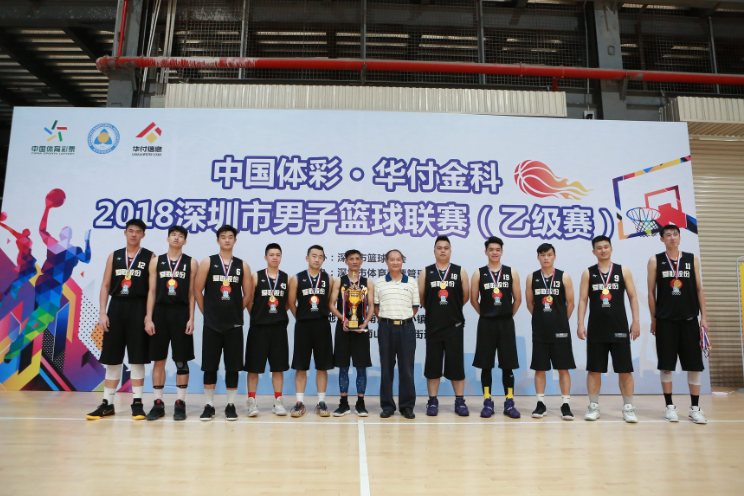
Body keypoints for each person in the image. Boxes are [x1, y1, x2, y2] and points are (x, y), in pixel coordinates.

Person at [87, 219, 153, 420]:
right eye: (130, 230)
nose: (134, 234)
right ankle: (107, 404)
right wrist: (102, 312)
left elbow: (152, 290)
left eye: (138, 231)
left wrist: (149, 316)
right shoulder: (114, 256)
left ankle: (137, 403)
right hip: (116, 307)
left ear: (143, 235)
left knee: (137, 358)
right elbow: (106, 285)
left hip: (138, 307)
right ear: (125, 233)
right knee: (113, 357)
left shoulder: (150, 257)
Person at [647, 224, 709, 424]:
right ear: (662, 239)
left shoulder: (692, 259)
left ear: (680, 238)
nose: (672, 237)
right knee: (666, 366)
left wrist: (703, 318)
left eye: (675, 234)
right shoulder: (655, 260)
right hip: (665, 322)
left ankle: (695, 408)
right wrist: (654, 319)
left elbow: (699, 289)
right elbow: (651, 292)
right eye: (668, 235)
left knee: (694, 366)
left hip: (689, 320)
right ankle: (669, 407)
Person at [576, 235, 640, 423]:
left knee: (624, 369)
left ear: (611, 249)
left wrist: (636, 321)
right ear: (594, 251)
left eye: (606, 247)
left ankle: (628, 408)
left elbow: (633, 297)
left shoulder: (623, 271)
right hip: (596, 328)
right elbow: (582, 300)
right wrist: (580, 323)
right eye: (599, 248)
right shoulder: (588, 273)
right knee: (594, 370)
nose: (603, 250)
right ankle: (593, 406)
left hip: (619, 327)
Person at [194, 225, 252, 421]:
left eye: (230, 237)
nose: (227, 240)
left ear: (235, 240)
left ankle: (230, 405)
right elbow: (197, 290)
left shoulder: (242, 265)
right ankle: (209, 405)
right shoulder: (207, 262)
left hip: (234, 325)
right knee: (209, 366)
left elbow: (248, 295)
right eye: (223, 237)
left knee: (233, 366)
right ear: (218, 240)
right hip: (212, 325)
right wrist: (207, 312)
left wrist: (235, 311)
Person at [143, 225, 198, 421]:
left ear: (185, 241)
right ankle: (158, 403)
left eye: (180, 236)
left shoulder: (191, 263)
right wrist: (148, 317)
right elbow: (151, 292)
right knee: (159, 360)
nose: (176, 238)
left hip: (181, 313)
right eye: (173, 235)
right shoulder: (156, 261)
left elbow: (191, 293)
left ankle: (180, 403)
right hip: (160, 312)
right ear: (167, 238)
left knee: (181, 360)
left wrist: (191, 318)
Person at [471, 236, 522, 419]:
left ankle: (509, 402)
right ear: (486, 252)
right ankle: (487, 401)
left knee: (508, 365)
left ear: (502, 252)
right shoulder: (478, 274)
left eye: (497, 249)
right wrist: (487, 315)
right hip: (486, 324)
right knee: (486, 364)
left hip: (506, 323)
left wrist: (506, 316)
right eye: (491, 249)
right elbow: (473, 300)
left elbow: (518, 299)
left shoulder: (511, 272)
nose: (494, 252)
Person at [419, 236, 470, 416]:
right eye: (439, 247)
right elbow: (423, 299)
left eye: (446, 248)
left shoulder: (460, 271)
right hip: (434, 326)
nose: (442, 250)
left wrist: (451, 311)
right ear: (434, 251)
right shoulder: (426, 272)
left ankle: (460, 401)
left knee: (456, 365)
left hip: (454, 326)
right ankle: (432, 401)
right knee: (433, 365)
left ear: (450, 251)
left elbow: (464, 297)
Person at [525, 243, 576, 421]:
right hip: (540, 331)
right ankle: (540, 404)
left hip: (560, 331)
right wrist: (542, 319)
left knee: (563, 368)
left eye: (549, 254)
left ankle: (565, 404)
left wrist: (559, 320)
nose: (546, 258)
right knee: (540, 368)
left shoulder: (564, 277)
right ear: (538, 257)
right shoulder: (532, 278)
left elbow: (571, 303)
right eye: (542, 255)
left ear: (554, 256)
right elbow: (530, 304)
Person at [288, 245, 334, 418]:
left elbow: (329, 303)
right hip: (303, 326)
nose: (317, 259)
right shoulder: (297, 278)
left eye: (320, 256)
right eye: (314, 256)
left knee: (322, 366)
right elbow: (291, 303)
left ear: (323, 259)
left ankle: (321, 402)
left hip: (322, 325)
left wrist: (319, 315)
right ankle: (299, 403)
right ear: (307, 258)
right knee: (301, 366)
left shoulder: (328, 278)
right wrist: (301, 317)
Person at [245, 243, 290, 417]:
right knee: (253, 367)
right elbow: (249, 301)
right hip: (259, 329)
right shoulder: (256, 276)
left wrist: (275, 315)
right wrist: (259, 316)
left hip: (278, 328)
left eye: (278, 255)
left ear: (281, 257)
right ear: (266, 257)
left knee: (278, 368)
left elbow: (288, 303)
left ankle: (278, 401)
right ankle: (251, 401)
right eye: (271, 254)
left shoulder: (286, 278)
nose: (274, 257)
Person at [375, 249, 420, 420]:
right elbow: (376, 307)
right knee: (386, 368)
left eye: (398, 259)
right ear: (386, 262)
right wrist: (388, 320)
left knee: (406, 368)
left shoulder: (411, 282)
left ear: (402, 262)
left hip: (406, 328)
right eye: (392, 259)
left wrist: (402, 319)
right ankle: (387, 406)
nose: (395, 262)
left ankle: (407, 406)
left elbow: (414, 307)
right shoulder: (379, 282)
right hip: (385, 328)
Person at [329, 249, 374, 417]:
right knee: (343, 367)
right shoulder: (339, 281)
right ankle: (343, 403)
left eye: (357, 259)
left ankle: (361, 403)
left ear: (361, 261)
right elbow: (331, 304)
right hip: (343, 328)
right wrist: (344, 319)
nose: (354, 261)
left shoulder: (367, 282)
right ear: (346, 262)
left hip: (361, 328)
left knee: (361, 367)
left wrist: (364, 323)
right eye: (351, 259)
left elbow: (371, 307)